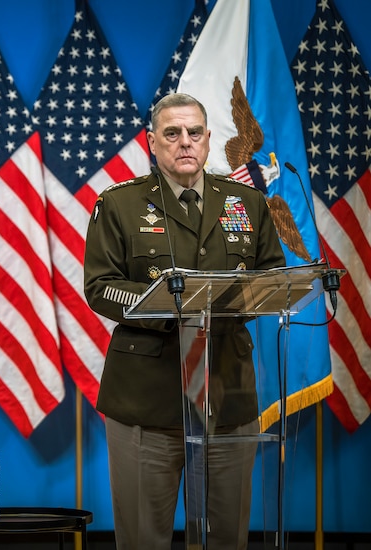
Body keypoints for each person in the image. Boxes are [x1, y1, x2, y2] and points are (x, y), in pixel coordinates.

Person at [83, 93, 285, 550]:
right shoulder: (119, 204)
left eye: (194, 132)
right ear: (152, 142)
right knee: (142, 539)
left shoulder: (248, 203)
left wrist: (229, 302)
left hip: (227, 396)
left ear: (210, 139)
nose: (185, 142)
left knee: (227, 538)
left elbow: (272, 275)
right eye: (172, 134)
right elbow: (100, 287)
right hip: (147, 400)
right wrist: (169, 306)